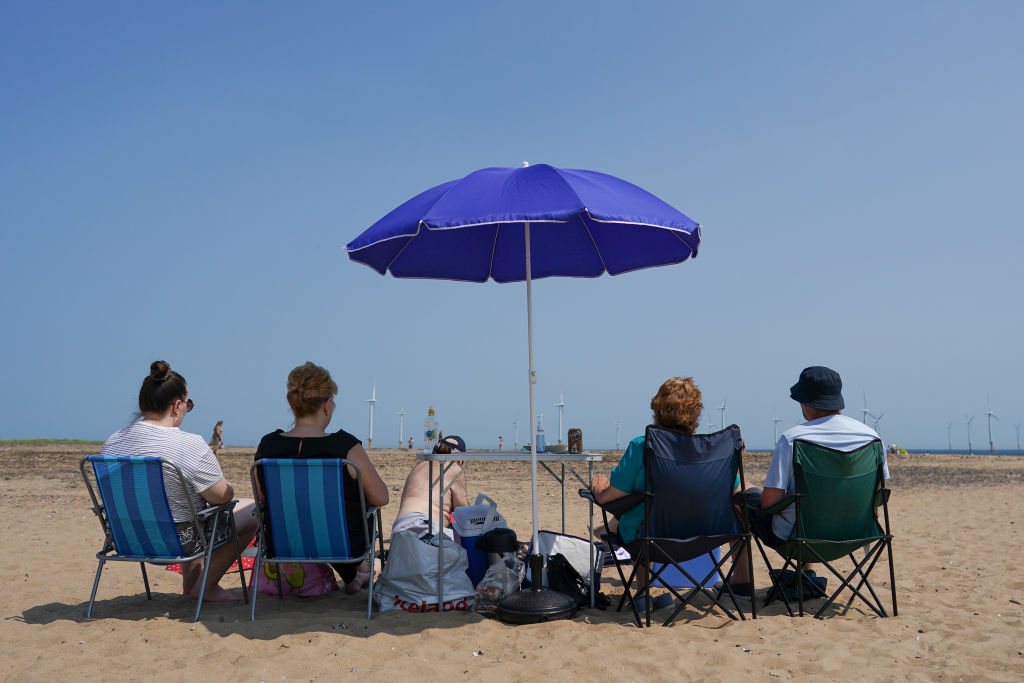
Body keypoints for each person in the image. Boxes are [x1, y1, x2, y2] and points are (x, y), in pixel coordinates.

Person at [99, 361, 258, 603]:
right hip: (177, 541)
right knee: (251, 512)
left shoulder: (113, 442)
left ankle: (191, 587)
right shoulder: (188, 443)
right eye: (188, 404)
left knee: (186, 508)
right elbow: (223, 497)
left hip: (124, 537)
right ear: (176, 405)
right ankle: (206, 586)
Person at [589, 377, 752, 601]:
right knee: (738, 509)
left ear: (656, 408)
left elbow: (611, 498)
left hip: (653, 538)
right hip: (710, 535)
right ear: (696, 413)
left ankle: (644, 592)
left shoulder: (642, 445)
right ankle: (742, 583)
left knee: (639, 512)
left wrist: (599, 490)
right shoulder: (712, 452)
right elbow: (735, 489)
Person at [741, 366, 890, 577]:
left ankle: (741, 583)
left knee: (741, 498)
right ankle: (806, 573)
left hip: (798, 539)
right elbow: (877, 492)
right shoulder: (872, 438)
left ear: (806, 403)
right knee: (808, 508)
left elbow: (769, 503)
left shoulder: (793, 439)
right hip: (856, 535)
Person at [254, 362, 389, 594]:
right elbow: (382, 497)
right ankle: (358, 573)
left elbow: (261, 497)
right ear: (327, 405)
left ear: (292, 403)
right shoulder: (346, 447)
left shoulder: (268, 445)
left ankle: (353, 578)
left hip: (284, 545)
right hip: (345, 547)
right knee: (353, 509)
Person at [391, 435, 469, 541]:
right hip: (426, 528)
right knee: (466, 543)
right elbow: (464, 512)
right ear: (460, 459)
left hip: (399, 530)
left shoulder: (419, 466)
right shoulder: (453, 468)